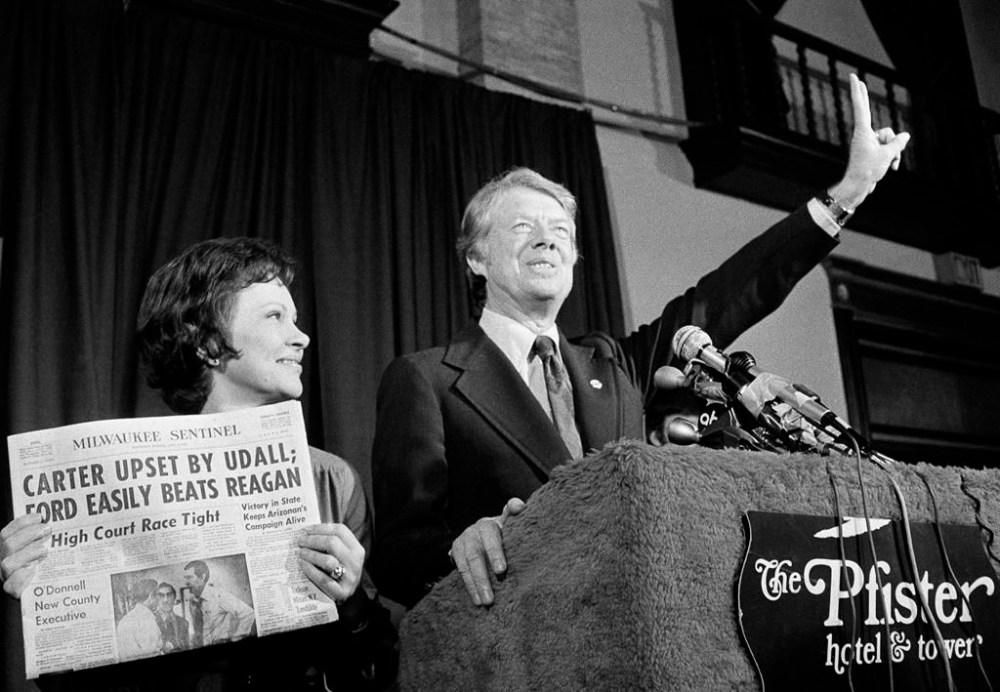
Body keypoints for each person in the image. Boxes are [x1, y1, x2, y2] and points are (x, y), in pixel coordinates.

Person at [370, 74, 911, 609]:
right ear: (476, 257)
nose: (547, 240)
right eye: (521, 228)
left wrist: (847, 193)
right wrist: (457, 549)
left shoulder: (613, 365)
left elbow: (727, 295)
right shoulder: (427, 380)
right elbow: (396, 554)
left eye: (561, 232)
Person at [1, 237, 396, 690]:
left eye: (295, 318)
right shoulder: (119, 478)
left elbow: (375, 674)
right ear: (209, 344)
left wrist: (351, 608)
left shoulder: (331, 481)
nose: (301, 336)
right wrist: (46, 600)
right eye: (274, 316)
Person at [182, 560, 255, 646]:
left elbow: (248, 613)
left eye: (189, 577)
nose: (186, 582)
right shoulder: (193, 601)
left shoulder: (219, 595)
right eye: (185, 578)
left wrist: (236, 639)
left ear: (202, 577)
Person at [116, 579, 164, 662]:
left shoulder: (125, 619)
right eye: (158, 595)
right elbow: (152, 653)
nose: (159, 599)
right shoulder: (147, 620)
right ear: (151, 596)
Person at [154, 582, 189, 653]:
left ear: (174, 598)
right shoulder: (152, 621)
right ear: (156, 599)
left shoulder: (184, 623)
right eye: (161, 596)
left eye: (169, 595)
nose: (165, 600)